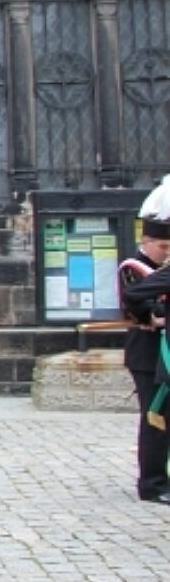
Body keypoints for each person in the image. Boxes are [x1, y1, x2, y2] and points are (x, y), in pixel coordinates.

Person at [118, 174, 170, 506]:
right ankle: (151, 483)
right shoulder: (133, 266)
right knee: (154, 419)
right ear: (146, 241)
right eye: (162, 246)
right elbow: (135, 301)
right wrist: (152, 315)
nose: (166, 252)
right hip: (146, 354)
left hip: (165, 352)